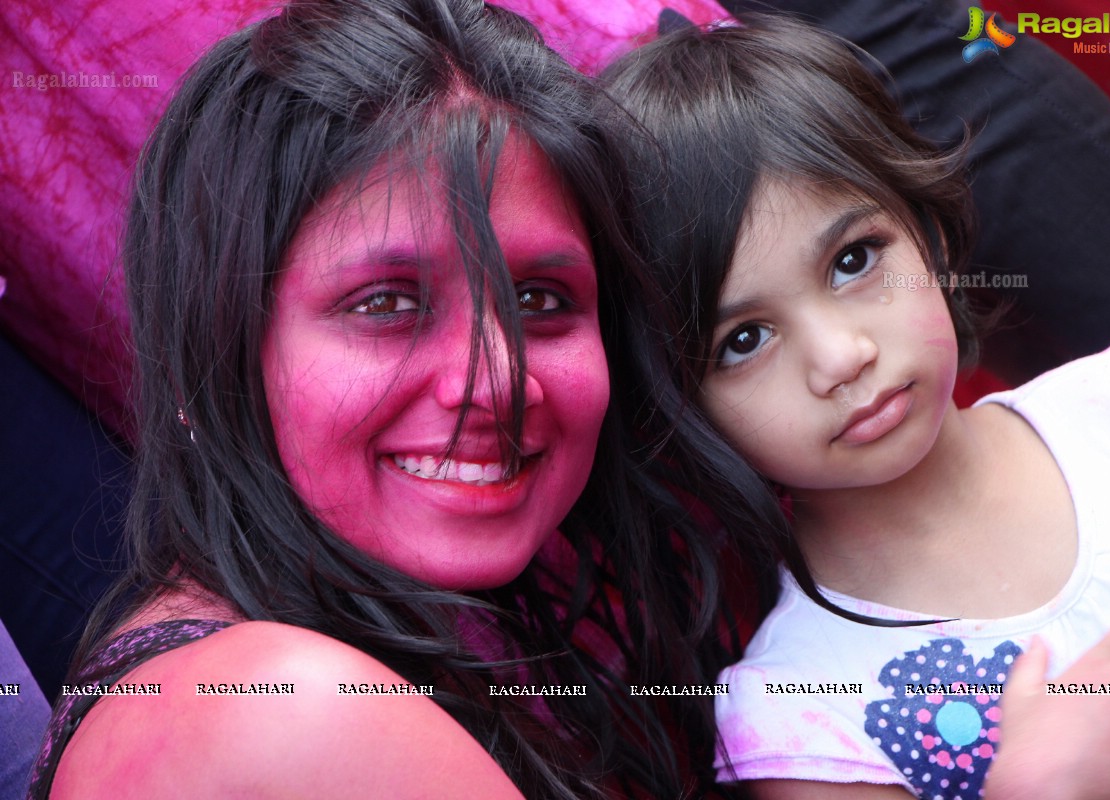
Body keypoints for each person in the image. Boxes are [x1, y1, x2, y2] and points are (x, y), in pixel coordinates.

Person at [24, 1, 744, 797]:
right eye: (387, 304)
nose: (496, 382)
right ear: (209, 352)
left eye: (540, 300)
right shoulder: (291, 713)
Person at [601, 14, 1110, 800]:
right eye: (743, 340)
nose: (842, 355)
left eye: (854, 260)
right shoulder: (799, 719)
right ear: (678, 403)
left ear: (928, 231)